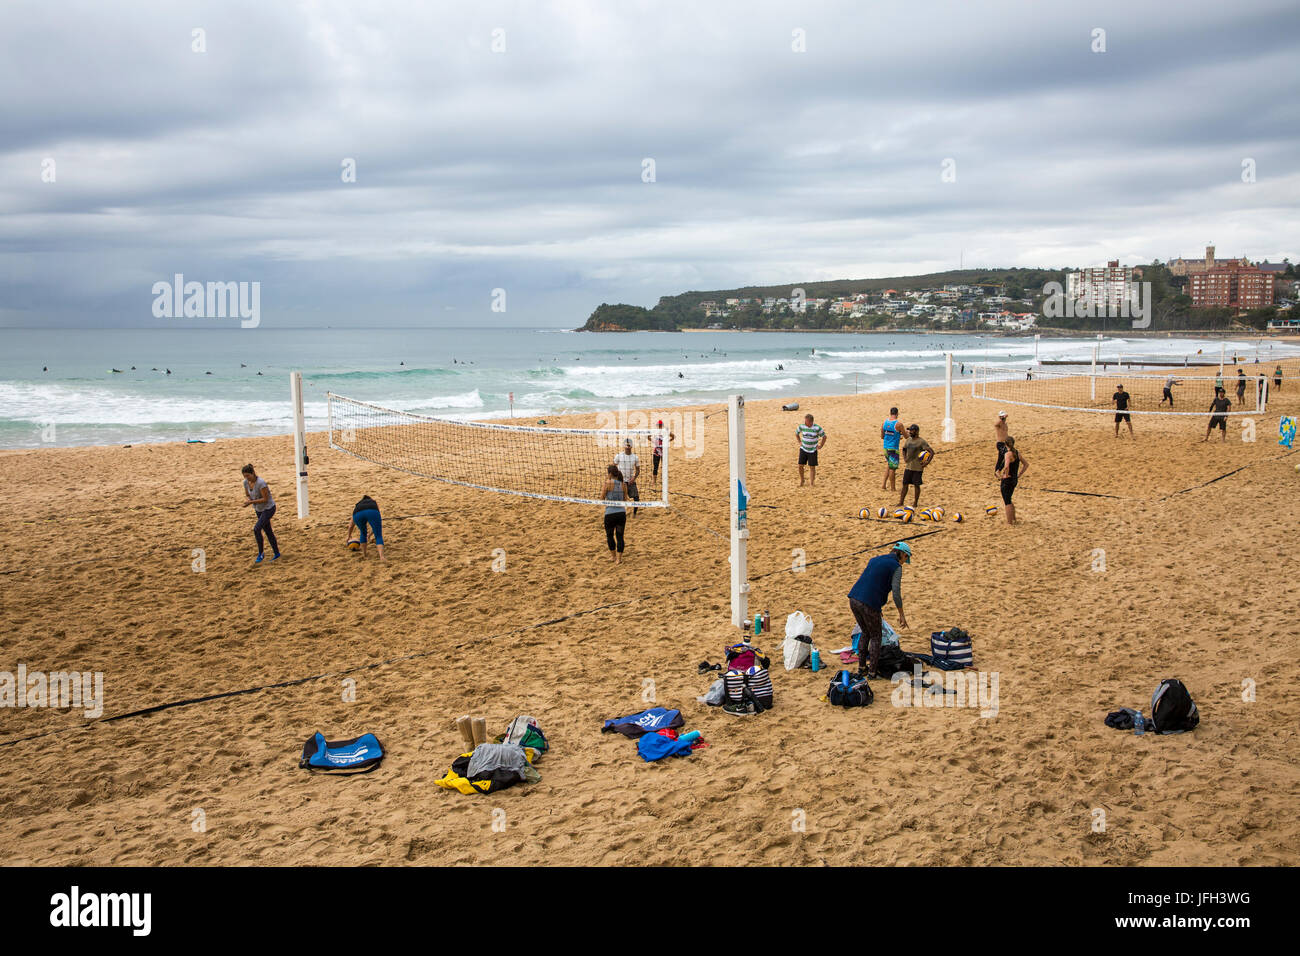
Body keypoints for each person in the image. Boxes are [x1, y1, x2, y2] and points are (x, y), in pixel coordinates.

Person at [847, 542, 912, 680]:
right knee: (876, 637)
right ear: (903, 554)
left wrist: (878, 606)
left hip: (853, 598)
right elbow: (896, 593)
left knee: (865, 633)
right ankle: (872, 673)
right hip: (868, 603)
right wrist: (901, 614)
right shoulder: (896, 567)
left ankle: (862, 668)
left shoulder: (875, 559)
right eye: (906, 559)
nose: (905, 562)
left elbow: (872, 581)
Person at [240, 464, 280, 563]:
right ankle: (277, 553)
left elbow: (265, 499)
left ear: (253, 473)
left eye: (248, 476)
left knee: (257, 529)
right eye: (245, 476)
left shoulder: (261, 483)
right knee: (268, 531)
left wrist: (251, 502)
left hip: (268, 508)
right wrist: (248, 500)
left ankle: (261, 553)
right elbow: (248, 495)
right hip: (258, 509)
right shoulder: (246, 482)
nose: (247, 478)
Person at [898, 424, 934, 508]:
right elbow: (904, 449)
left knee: (916, 486)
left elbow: (931, 452)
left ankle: (915, 503)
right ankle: (901, 502)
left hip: (917, 468)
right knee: (905, 485)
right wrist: (904, 458)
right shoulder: (908, 440)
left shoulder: (921, 442)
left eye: (912, 430)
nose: (910, 432)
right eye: (910, 430)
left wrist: (926, 463)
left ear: (917, 432)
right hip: (908, 467)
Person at [997, 436, 1027, 524]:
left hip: (1008, 480)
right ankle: (1013, 519)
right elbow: (1026, 464)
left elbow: (1006, 466)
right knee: (1009, 499)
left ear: (1005, 444)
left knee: (1007, 501)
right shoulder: (1017, 453)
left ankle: (1010, 522)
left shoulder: (1008, 454)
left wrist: (1005, 475)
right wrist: (1019, 474)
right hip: (1014, 479)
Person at [346, 494, 385, 561]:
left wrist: (349, 536)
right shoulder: (374, 502)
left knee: (363, 533)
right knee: (378, 535)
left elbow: (350, 526)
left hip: (358, 514)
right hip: (372, 511)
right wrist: (369, 535)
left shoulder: (357, 505)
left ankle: (364, 554)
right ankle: (381, 557)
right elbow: (376, 525)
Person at [602, 464, 628, 565]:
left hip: (610, 514)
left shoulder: (607, 483)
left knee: (609, 536)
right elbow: (625, 499)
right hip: (621, 513)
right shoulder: (623, 485)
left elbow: (601, 498)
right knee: (620, 536)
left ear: (610, 474)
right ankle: (619, 559)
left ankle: (613, 557)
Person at [796, 413, 827, 487]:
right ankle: (802, 480)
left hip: (813, 450)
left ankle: (812, 483)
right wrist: (800, 442)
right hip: (803, 449)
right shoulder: (802, 426)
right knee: (800, 465)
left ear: (811, 422)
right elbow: (796, 433)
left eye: (806, 421)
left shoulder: (817, 428)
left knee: (812, 466)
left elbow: (824, 437)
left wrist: (821, 446)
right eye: (805, 421)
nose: (805, 422)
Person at [614, 438, 641, 520]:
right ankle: (620, 513)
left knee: (636, 498)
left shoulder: (635, 457)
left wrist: (634, 478)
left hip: (630, 481)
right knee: (620, 499)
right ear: (624, 446)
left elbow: (638, 470)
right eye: (626, 445)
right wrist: (617, 477)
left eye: (629, 445)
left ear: (631, 446)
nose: (628, 447)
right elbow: (613, 467)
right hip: (620, 482)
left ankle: (634, 514)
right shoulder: (619, 456)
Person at [880, 407, 904, 492]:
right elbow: (906, 436)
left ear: (890, 413)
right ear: (897, 414)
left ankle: (883, 485)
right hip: (893, 448)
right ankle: (893, 488)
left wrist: (896, 436)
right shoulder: (898, 424)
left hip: (885, 447)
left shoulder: (884, 423)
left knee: (889, 465)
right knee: (892, 469)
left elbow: (882, 436)